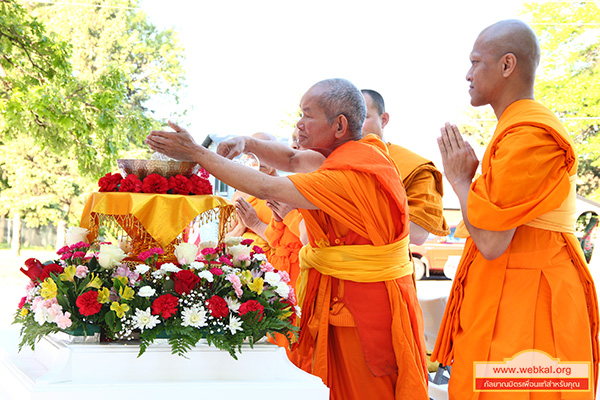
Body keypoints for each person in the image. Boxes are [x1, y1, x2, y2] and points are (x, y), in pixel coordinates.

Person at [146, 78, 429, 399]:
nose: (298, 125)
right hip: (339, 291)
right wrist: (246, 143)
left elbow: (267, 187)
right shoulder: (349, 154)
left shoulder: (352, 173)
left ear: (339, 125)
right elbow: (292, 160)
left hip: (362, 309)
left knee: (365, 389)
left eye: (308, 115)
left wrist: (197, 154)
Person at [432, 19, 599, 399]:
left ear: (508, 65)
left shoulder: (530, 136)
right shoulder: (514, 130)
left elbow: (491, 242)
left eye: (476, 62)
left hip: (534, 302)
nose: (468, 74)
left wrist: (460, 181)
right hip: (515, 293)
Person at [361, 89, 449, 245]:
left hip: (382, 265)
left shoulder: (414, 167)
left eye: (363, 117)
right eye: (347, 118)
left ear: (384, 120)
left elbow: (418, 233)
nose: (354, 124)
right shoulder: (326, 162)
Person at [225, 132, 278, 260]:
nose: (260, 160)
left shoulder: (285, 193)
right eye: (254, 154)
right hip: (242, 265)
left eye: (266, 153)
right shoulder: (240, 194)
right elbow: (224, 240)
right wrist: (242, 226)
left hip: (275, 268)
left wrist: (255, 224)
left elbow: (288, 241)